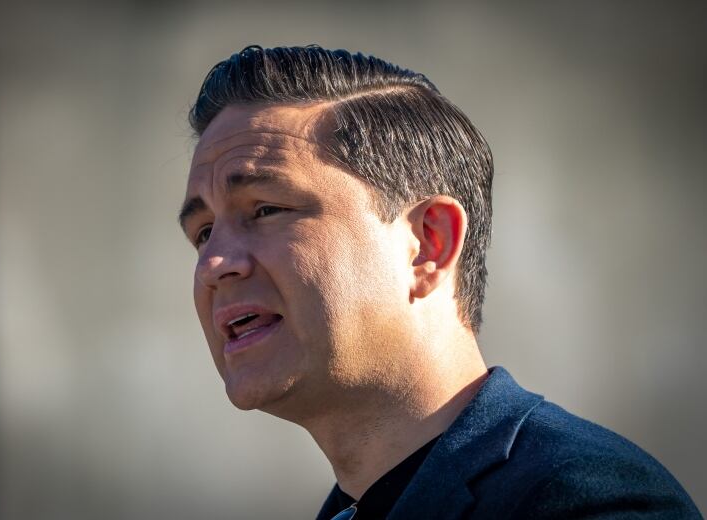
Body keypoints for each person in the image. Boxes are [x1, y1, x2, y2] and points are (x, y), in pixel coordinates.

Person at [178, 45, 701, 519]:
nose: (214, 264)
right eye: (203, 234)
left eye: (266, 209)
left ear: (429, 244)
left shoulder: (584, 503)